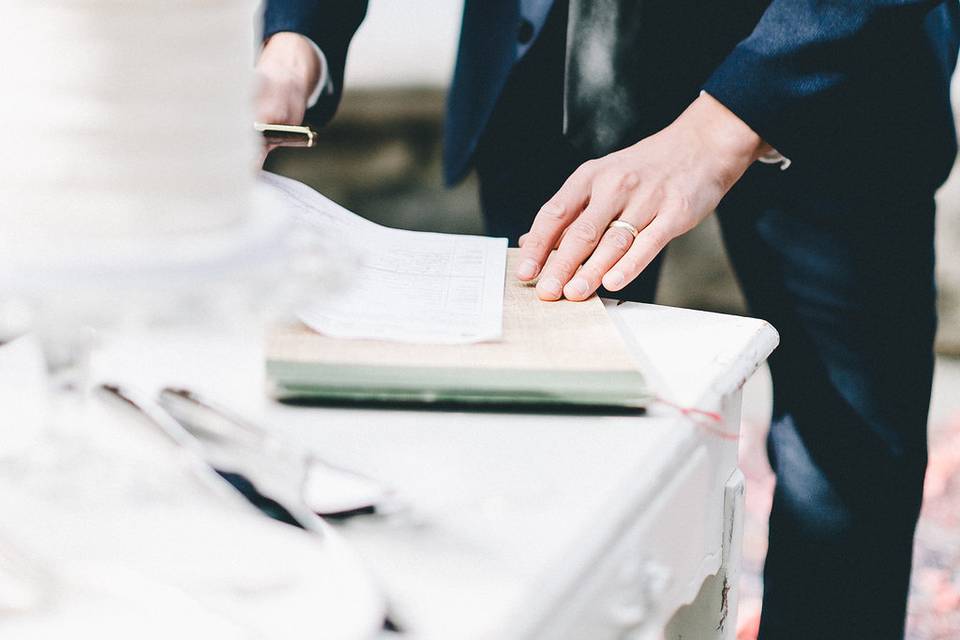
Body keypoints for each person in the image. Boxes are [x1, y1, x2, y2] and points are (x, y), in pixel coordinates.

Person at [257, 2, 959, 637]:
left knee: (846, 460)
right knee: (540, 452)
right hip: (554, 58)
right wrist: (297, 45)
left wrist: (719, 129)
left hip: (841, 76)